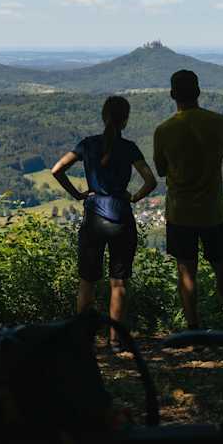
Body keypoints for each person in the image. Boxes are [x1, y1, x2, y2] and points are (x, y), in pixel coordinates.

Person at [51, 95, 157, 353]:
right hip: (121, 217)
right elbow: (151, 181)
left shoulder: (87, 144)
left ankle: (82, 339)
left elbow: (57, 169)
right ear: (126, 119)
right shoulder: (130, 148)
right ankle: (115, 341)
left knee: (87, 280)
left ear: (103, 116)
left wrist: (77, 194)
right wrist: (133, 197)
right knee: (118, 282)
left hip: (94, 217)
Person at [153, 70, 223, 331]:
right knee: (222, 266)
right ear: (198, 92)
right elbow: (220, 153)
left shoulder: (164, 130)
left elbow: (161, 170)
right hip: (213, 210)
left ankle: (194, 327)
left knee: (187, 271)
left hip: (180, 212)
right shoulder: (219, 122)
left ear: (172, 94)